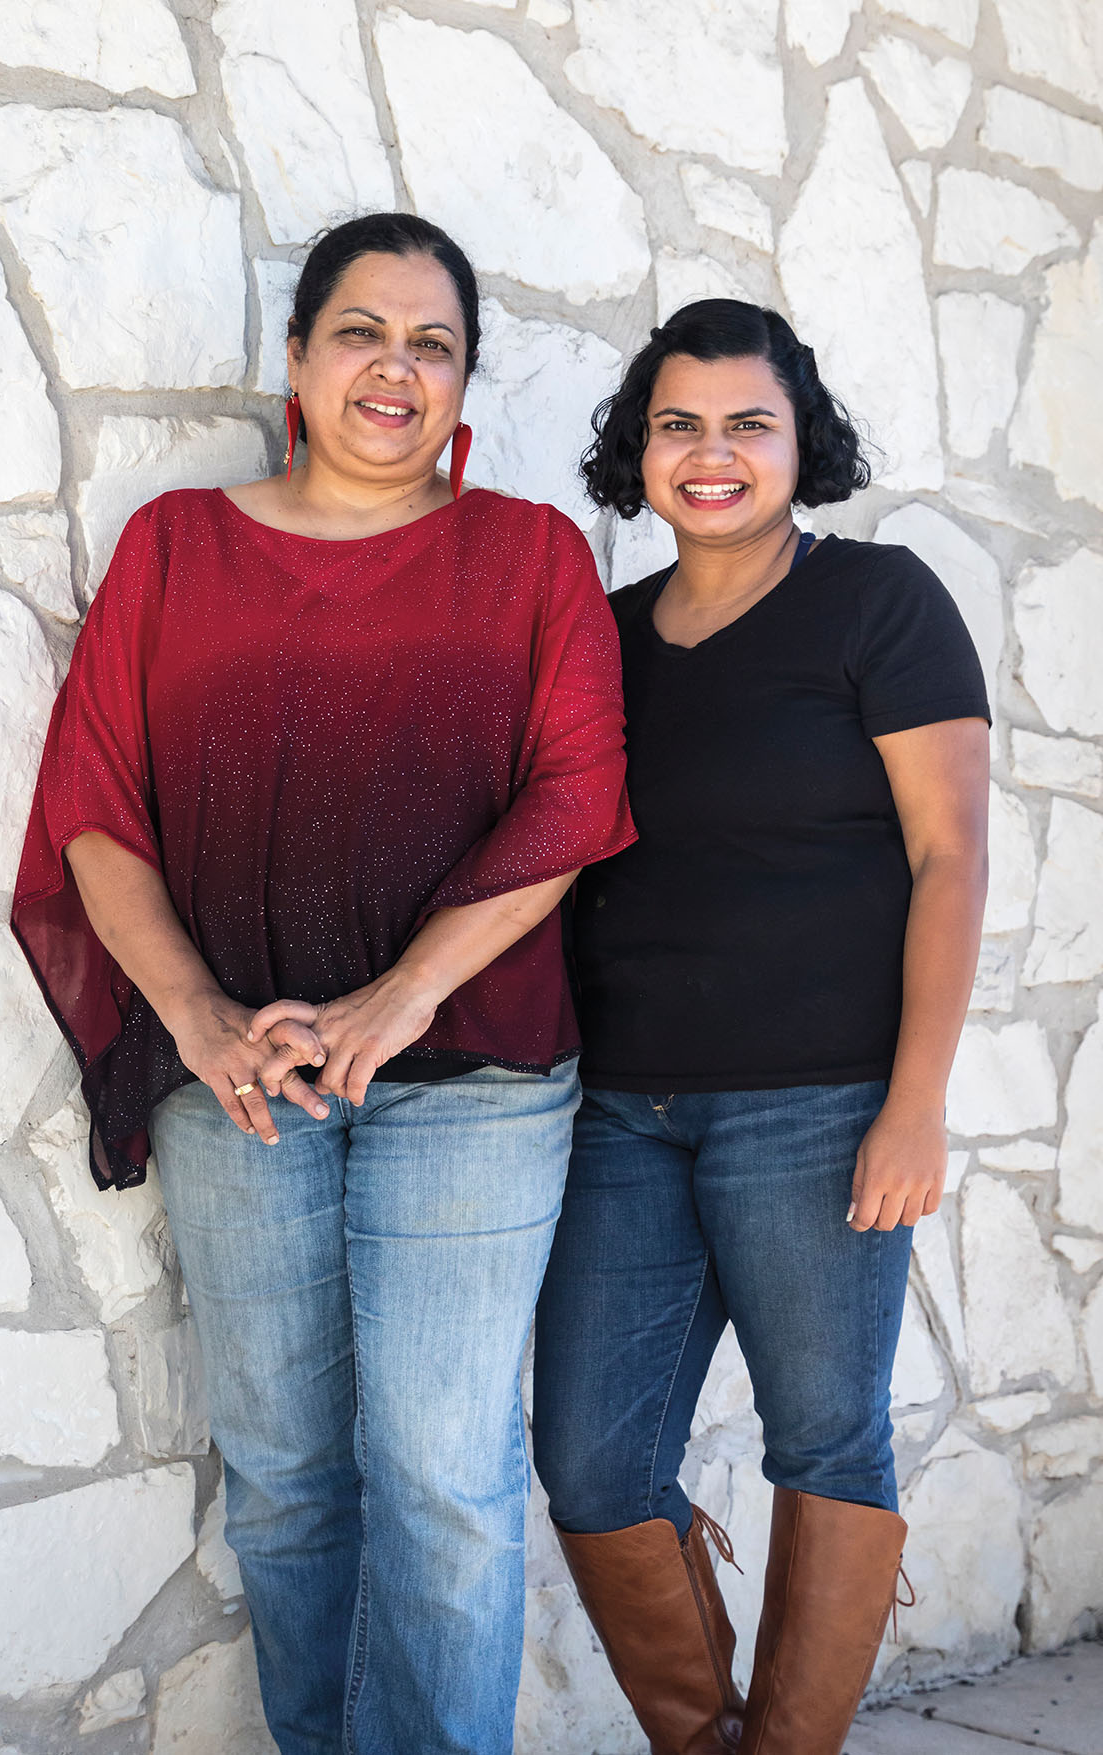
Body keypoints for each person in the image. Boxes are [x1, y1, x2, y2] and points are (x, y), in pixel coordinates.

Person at [12, 212, 634, 1755]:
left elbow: (575, 798)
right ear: (297, 359)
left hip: (473, 1073)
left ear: (464, 385)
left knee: (442, 1470)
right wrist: (201, 1018)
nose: (395, 368)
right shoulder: (178, 548)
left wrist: (398, 996)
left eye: (433, 343)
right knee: (287, 1473)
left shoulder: (529, 556)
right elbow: (96, 806)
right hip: (244, 1083)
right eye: (363, 331)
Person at [531, 299, 990, 1755]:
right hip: (622, 1112)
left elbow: (952, 857)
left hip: (821, 1106)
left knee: (825, 1442)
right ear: (639, 449)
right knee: (594, 1460)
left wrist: (914, 1104)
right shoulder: (601, 640)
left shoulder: (880, 601)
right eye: (678, 424)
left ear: (803, 443)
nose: (710, 453)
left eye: (747, 424)